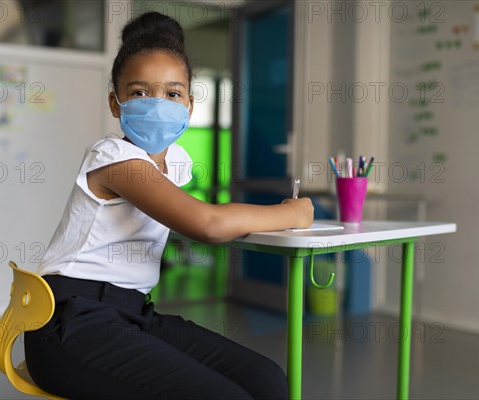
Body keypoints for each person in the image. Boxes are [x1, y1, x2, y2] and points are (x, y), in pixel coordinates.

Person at [24, 11, 313, 400]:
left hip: (131, 312)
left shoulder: (175, 163)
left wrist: (234, 218)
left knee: (267, 380)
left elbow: (204, 215)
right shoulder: (113, 157)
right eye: (140, 93)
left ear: (189, 106)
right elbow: (207, 223)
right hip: (71, 320)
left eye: (173, 93)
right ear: (116, 102)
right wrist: (291, 214)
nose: (157, 105)